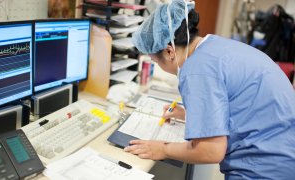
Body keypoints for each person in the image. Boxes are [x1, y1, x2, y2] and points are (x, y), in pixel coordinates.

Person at [123, 0, 295, 179]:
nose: (158, 65)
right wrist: (192, 113)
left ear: (169, 52)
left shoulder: (196, 70)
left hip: (265, 168)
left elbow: (211, 151)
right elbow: (239, 103)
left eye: (156, 61)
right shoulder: (215, 46)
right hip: (286, 153)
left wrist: (162, 149)